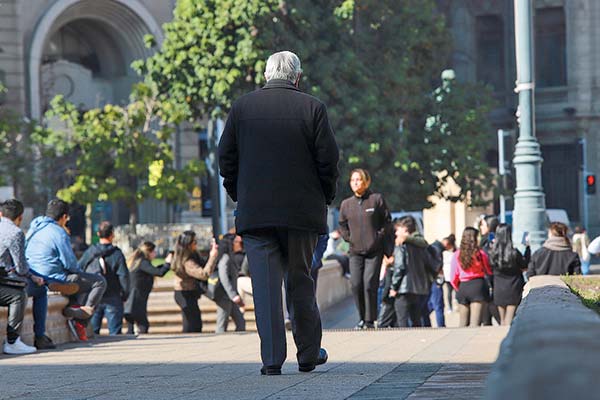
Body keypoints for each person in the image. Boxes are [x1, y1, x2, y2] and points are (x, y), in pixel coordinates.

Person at [218, 50, 339, 375]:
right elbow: (329, 160)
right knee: (300, 281)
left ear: (266, 76)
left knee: (265, 289)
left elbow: (225, 158)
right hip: (301, 214)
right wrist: (323, 197)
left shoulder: (242, 107)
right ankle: (308, 354)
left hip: (257, 214)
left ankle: (272, 360)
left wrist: (240, 194)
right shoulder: (313, 107)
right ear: (297, 77)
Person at [25, 199, 107, 345]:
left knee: (76, 281)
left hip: (34, 274)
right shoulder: (59, 232)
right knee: (98, 281)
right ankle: (83, 316)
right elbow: (70, 263)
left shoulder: (34, 227)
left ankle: (75, 306)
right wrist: (79, 272)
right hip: (55, 276)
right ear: (64, 217)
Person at [339, 168, 393, 330]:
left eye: (359, 179)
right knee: (356, 284)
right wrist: (349, 238)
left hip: (374, 251)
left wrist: (379, 238)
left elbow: (387, 222)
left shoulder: (376, 200)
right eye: (353, 180)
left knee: (369, 283)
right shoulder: (346, 204)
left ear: (366, 182)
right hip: (355, 251)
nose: (355, 183)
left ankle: (370, 320)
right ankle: (361, 318)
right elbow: (342, 225)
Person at [0, 199, 39, 354]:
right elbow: (21, 268)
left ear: (1, 214)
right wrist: (33, 276)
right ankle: (13, 341)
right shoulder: (15, 233)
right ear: (20, 217)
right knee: (19, 295)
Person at [79, 221, 130, 335]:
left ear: (98, 234)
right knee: (115, 332)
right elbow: (123, 276)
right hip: (113, 296)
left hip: (94, 295)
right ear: (112, 234)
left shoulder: (90, 252)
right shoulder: (117, 254)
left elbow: (79, 268)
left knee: (92, 332)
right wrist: (125, 294)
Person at [387, 216, 436, 328]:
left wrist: (394, 287)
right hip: (418, 288)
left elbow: (399, 267)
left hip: (403, 289)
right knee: (416, 320)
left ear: (405, 229)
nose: (396, 232)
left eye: (398, 229)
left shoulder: (402, 244)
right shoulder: (419, 245)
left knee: (402, 321)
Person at [171, 231, 218, 333]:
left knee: (193, 323)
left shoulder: (191, 255)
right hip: (184, 294)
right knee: (192, 325)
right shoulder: (187, 262)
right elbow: (204, 274)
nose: (196, 244)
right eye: (194, 242)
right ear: (188, 244)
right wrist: (213, 256)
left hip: (188, 293)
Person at [124, 242, 170, 334]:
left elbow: (154, 270)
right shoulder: (143, 262)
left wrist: (165, 264)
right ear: (149, 252)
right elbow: (159, 272)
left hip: (133, 298)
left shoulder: (137, 261)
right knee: (143, 325)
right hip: (136, 299)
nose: (155, 254)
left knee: (132, 327)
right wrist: (168, 263)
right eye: (154, 252)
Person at [488, 224, 529, 325]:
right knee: (509, 320)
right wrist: (528, 248)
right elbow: (524, 266)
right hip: (513, 288)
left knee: (502, 321)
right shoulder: (514, 253)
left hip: (498, 289)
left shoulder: (492, 253)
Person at [451, 227, 492, 327]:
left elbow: (453, 277)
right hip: (478, 286)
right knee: (475, 324)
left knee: (462, 323)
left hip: (463, 287)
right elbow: (489, 271)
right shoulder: (481, 254)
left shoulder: (457, 255)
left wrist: (458, 288)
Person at [213, 234, 246, 333]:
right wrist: (234, 296)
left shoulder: (232, 257)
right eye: (237, 242)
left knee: (241, 322)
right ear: (231, 243)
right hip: (224, 296)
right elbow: (224, 278)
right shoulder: (225, 258)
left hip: (230, 297)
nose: (240, 244)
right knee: (222, 324)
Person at [441, 234, 457, 313]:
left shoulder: (453, 252)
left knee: (451, 292)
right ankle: (451, 306)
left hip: (450, 274)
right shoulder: (447, 253)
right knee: (450, 291)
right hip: (449, 275)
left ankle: (452, 306)